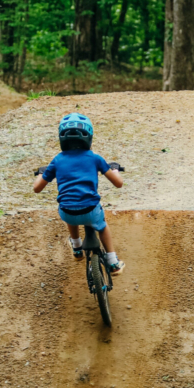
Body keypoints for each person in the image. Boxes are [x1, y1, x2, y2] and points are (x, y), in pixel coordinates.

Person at [32, 113, 125, 273]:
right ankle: (112, 261)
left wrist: (42, 173)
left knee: (67, 204)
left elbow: (37, 188)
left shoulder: (57, 160)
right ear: (89, 136)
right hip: (90, 211)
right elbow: (118, 183)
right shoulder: (95, 158)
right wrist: (114, 169)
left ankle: (76, 247)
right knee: (102, 226)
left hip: (67, 213)